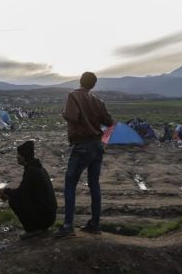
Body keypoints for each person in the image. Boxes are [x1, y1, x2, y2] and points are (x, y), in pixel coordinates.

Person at [54, 71, 114, 238]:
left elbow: (73, 116)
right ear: (93, 85)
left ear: (80, 81)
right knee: (94, 184)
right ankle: (95, 223)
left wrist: (64, 113)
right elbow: (109, 122)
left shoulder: (73, 95)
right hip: (97, 146)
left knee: (70, 184)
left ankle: (68, 225)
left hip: (82, 146)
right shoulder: (98, 101)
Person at [0, 141, 57, 239]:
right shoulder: (37, 168)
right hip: (49, 215)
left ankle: (33, 229)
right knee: (16, 197)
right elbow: (25, 191)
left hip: (45, 217)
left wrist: (6, 192)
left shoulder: (32, 171)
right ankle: (36, 227)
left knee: (14, 201)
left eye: (18, 154)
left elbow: (21, 193)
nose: (17, 157)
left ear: (23, 156)